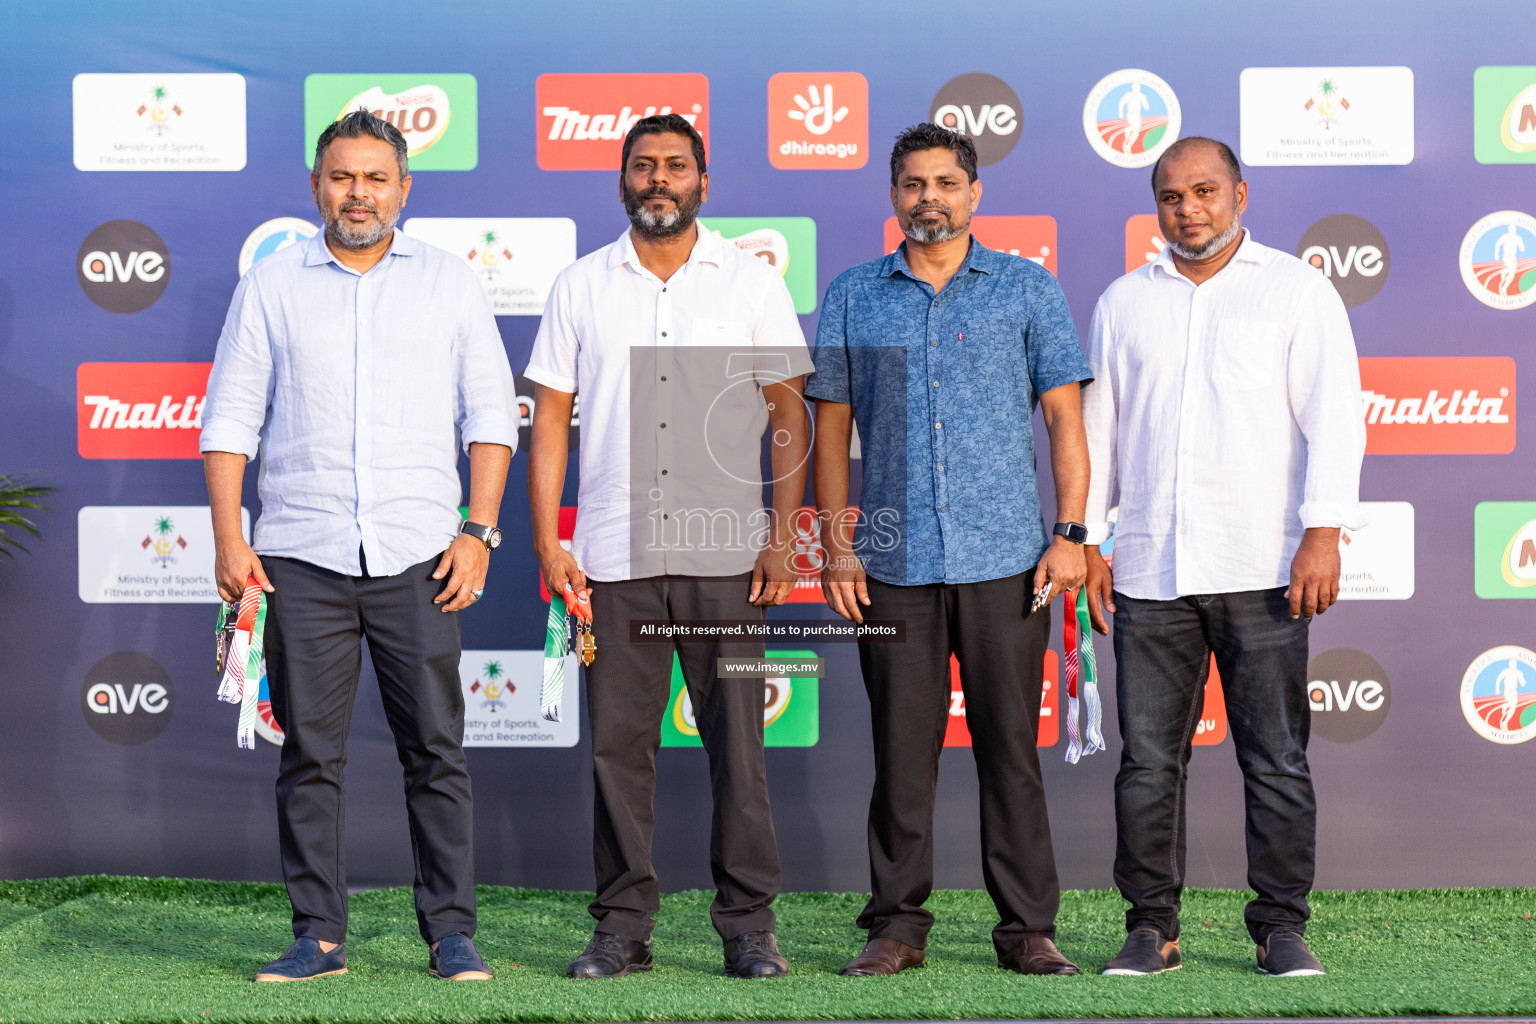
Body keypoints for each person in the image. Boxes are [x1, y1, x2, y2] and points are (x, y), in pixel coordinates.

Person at [200, 109, 517, 983]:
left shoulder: (449, 283)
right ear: (316, 188)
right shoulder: (272, 285)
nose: (359, 194)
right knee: (309, 756)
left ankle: (452, 933)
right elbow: (229, 420)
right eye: (342, 177)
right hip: (299, 556)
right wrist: (231, 539)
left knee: (437, 753)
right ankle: (318, 937)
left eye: (376, 178)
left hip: (420, 555)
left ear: (404, 189)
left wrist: (480, 533)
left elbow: (491, 417)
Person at [525, 113, 814, 980]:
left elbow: (790, 414)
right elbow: (547, 424)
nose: (659, 179)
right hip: (613, 559)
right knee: (618, 752)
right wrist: (549, 539)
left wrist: (781, 538)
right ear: (622, 180)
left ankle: (749, 928)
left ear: (703, 182)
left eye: (675, 166)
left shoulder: (749, 282)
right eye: (644, 166)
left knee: (740, 748)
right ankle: (622, 928)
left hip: (729, 559)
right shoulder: (581, 285)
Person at [808, 123, 1092, 978]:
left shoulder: (1027, 290)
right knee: (901, 753)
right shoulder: (855, 293)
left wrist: (1070, 532)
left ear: (974, 194)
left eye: (944, 182)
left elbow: (1066, 421)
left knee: (1011, 749)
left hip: (1007, 560)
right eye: (912, 184)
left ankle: (1028, 930)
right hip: (892, 566)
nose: (928, 197)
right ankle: (896, 926)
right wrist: (838, 546)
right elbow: (829, 436)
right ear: (893, 195)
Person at [1082, 137, 1366, 978]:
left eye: (1205, 191)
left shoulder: (1297, 290)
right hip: (1149, 571)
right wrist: (1091, 541)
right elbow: (1097, 435)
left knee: (1275, 759)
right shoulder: (1122, 302)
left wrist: (1323, 531)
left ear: (1240, 193)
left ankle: (1280, 928)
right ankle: (1149, 929)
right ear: (1156, 206)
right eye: (1171, 196)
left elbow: (1336, 417)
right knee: (1145, 765)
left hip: (1264, 566)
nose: (1189, 209)